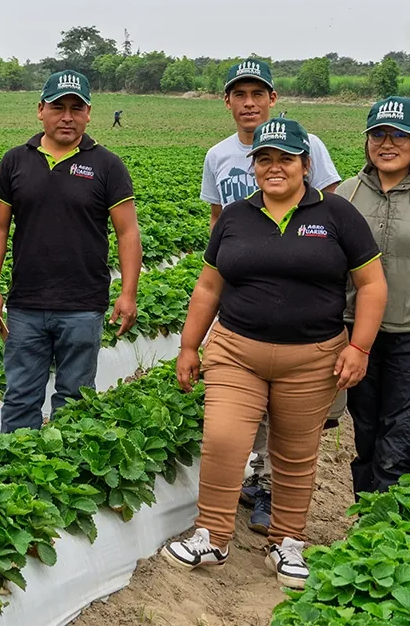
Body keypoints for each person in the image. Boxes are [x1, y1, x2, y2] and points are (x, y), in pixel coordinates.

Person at [166, 118, 387, 589]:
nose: (274, 168)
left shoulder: (338, 215)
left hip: (311, 357)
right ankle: (213, 536)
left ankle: (287, 541)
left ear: (305, 164)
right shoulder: (235, 216)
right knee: (224, 439)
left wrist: (360, 346)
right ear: (254, 166)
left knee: (295, 452)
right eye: (264, 159)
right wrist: (189, 344)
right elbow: (208, 286)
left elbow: (371, 285)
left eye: (285, 159)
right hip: (236, 350)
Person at [200, 59, 343, 534]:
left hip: (303, 303)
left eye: (257, 94)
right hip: (244, 298)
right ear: (227, 102)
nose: (248, 103)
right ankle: (250, 485)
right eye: (239, 95)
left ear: (272, 98)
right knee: (242, 400)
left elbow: (333, 215)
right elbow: (220, 226)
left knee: (291, 414)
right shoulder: (219, 156)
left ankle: (269, 490)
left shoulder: (310, 145)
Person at [0, 70, 142, 433]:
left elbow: (128, 231)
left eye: (76, 108)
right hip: (26, 303)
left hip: (83, 305)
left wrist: (128, 293)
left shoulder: (107, 165)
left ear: (89, 113)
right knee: (21, 395)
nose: (67, 116)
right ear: (40, 110)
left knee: (74, 398)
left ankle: (63, 475)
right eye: (58, 107)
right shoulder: (15, 161)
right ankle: (17, 472)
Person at [338, 96, 410, 497]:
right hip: (355, 332)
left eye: (400, 134)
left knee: (399, 432)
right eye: (379, 133)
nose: (388, 142)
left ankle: (390, 516)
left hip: (407, 332)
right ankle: (367, 513)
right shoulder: (347, 195)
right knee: (365, 426)